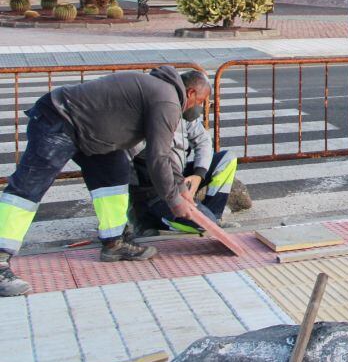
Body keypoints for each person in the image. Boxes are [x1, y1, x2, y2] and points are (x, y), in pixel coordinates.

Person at [0, 67, 211, 296]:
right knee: (28, 188)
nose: (199, 108)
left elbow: (165, 152)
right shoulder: (168, 100)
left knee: (115, 174)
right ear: (190, 93)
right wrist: (174, 200)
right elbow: (157, 157)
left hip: (92, 135)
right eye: (200, 101)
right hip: (59, 120)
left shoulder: (164, 93)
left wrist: (181, 190)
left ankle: (114, 242)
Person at [129, 116, 239, 234]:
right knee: (204, 226)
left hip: (179, 174)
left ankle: (214, 217)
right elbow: (157, 157)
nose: (200, 104)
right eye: (199, 99)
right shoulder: (155, 111)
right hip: (155, 187)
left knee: (227, 159)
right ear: (190, 96)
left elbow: (203, 140)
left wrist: (198, 175)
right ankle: (146, 223)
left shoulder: (185, 110)